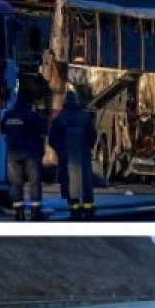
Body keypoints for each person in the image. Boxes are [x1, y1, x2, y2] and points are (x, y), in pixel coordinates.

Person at [0, 89, 48, 221]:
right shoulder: (32, 115)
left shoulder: (8, 115)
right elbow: (44, 129)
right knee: (34, 183)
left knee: (16, 184)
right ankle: (35, 212)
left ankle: (19, 213)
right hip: (31, 153)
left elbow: (2, 129)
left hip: (13, 154)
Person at [49, 91, 97, 220]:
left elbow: (52, 139)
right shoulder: (85, 117)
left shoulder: (59, 119)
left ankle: (74, 210)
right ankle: (89, 211)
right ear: (76, 102)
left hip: (66, 156)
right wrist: (87, 148)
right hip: (83, 155)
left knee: (70, 181)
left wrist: (60, 150)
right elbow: (92, 136)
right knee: (86, 181)